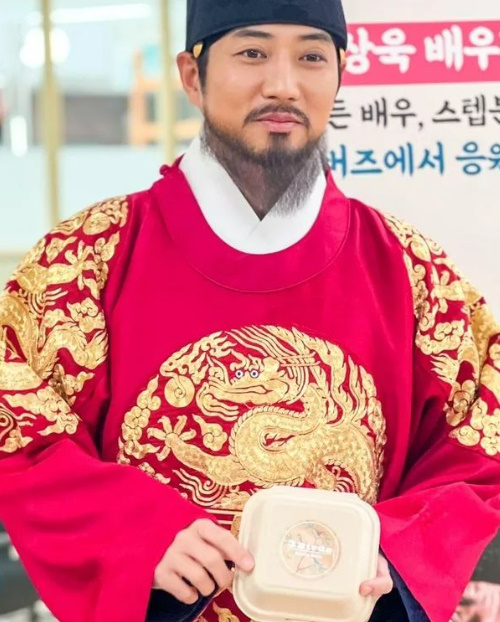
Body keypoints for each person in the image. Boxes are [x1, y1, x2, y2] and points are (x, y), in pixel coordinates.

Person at [0, 1, 499, 621]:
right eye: (253, 53)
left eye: (311, 56)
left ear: (341, 75)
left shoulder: (413, 272)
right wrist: (133, 532)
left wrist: (395, 556)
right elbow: (18, 431)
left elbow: (479, 445)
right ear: (192, 76)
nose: (283, 84)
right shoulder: (86, 261)